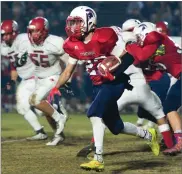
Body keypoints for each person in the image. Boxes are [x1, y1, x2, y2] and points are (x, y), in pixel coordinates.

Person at [51, 7, 169, 171]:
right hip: (97, 85)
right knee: (116, 127)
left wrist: (116, 62)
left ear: (89, 22)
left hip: (114, 82)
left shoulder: (106, 36)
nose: (72, 27)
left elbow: (130, 52)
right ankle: (149, 135)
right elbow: (67, 71)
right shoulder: (73, 44)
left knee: (94, 114)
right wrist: (54, 88)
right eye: (71, 22)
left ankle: (98, 158)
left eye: (77, 22)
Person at [126, 21, 182, 155]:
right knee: (168, 107)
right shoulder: (158, 41)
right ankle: (178, 139)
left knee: (168, 107)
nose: (138, 41)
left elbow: (140, 55)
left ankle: (178, 142)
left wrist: (129, 45)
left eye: (138, 37)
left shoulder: (155, 37)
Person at [24, 17, 71, 146]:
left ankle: (59, 117)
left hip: (53, 76)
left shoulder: (55, 42)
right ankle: (58, 134)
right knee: (46, 111)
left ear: (44, 31)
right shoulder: (26, 43)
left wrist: (67, 79)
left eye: (37, 31)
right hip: (39, 79)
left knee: (34, 100)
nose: (33, 34)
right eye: (31, 31)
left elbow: (68, 60)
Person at [1, 20, 48, 140]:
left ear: (14, 32)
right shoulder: (4, 47)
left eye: (7, 34)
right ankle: (40, 131)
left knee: (40, 109)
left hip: (37, 77)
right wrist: (12, 80)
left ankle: (57, 115)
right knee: (22, 108)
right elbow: (13, 64)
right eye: (3, 34)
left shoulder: (23, 39)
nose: (5, 37)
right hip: (26, 79)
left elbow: (39, 51)